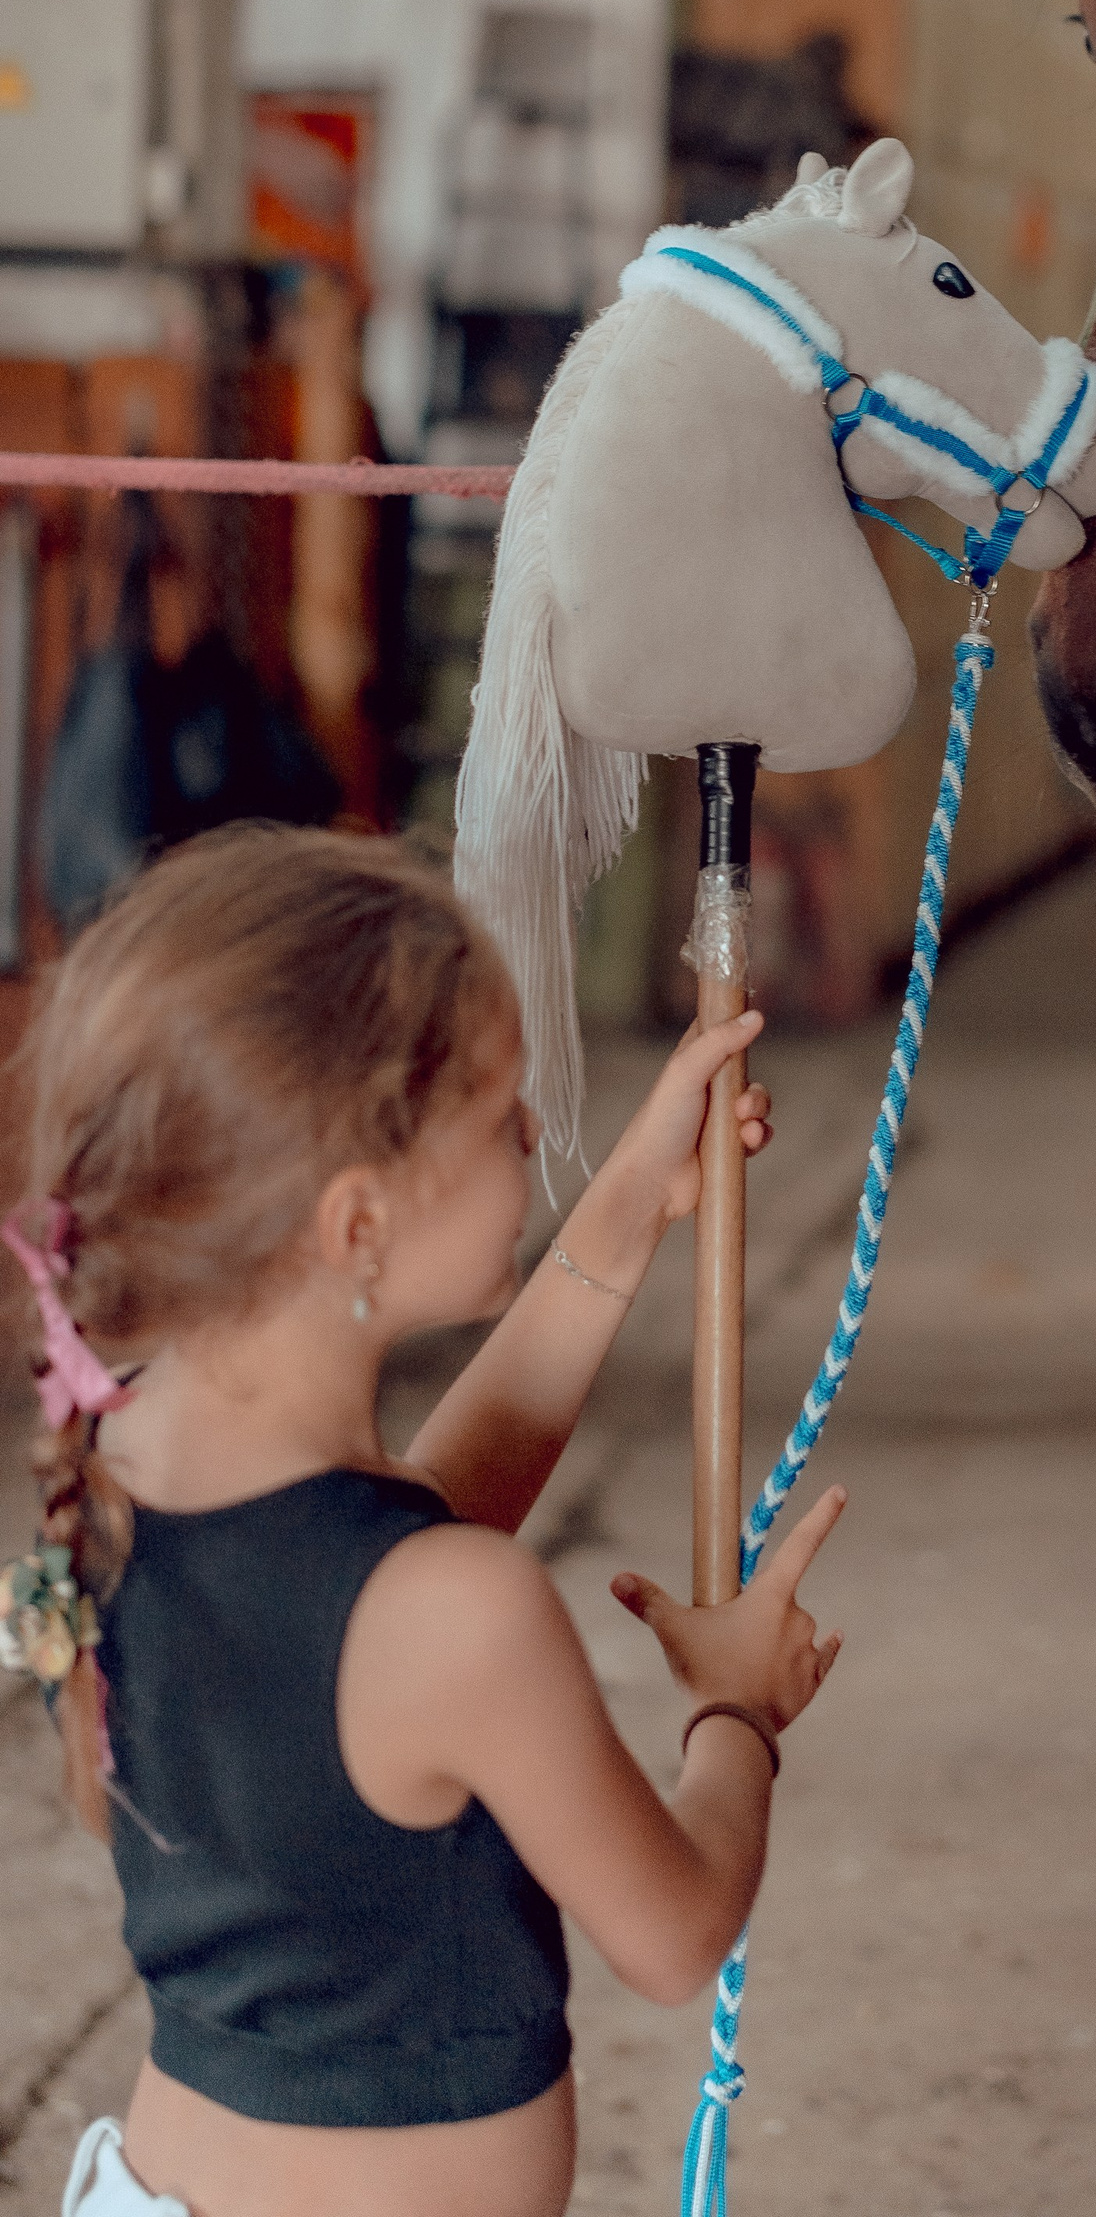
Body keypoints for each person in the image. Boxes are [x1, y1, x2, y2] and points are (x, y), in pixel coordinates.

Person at [1, 823, 847, 2217]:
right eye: (503, 1111)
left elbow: (395, 1540)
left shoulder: (118, 1459)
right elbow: (677, 1930)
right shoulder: (453, 1616)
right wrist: (734, 1713)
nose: (533, 1132)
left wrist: (622, 1214)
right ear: (356, 1223)